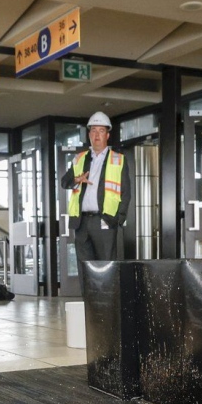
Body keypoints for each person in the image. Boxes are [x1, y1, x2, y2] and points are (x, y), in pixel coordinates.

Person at [60, 111, 133, 289]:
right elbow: (64, 182)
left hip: (105, 221)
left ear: (107, 135)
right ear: (89, 134)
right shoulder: (80, 159)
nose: (96, 135)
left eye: (101, 131)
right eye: (93, 131)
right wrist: (77, 179)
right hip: (82, 222)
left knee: (106, 267)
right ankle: (89, 305)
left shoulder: (118, 159)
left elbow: (126, 193)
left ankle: (107, 305)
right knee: (85, 268)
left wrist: (117, 220)